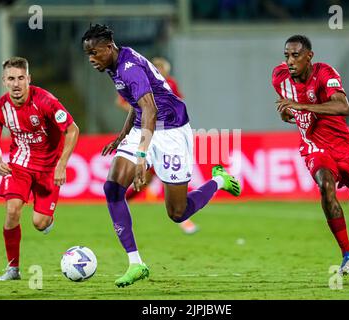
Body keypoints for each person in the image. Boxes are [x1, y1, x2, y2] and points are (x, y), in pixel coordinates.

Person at [81, 24, 241, 287]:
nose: (91, 59)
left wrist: (142, 156)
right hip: (142, 128)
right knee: (112, 188)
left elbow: (150, 110)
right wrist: (123, 137)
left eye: (95, 53)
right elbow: (136, 105)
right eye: (88, 54)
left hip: (171, 131)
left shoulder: (128, 68)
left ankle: (220, 180)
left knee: (178, 212)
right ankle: (135, 263)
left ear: (109, 48)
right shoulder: (113, 64)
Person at [272, 35, 349, 275]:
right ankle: (348, 255)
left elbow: (343, 106)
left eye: (296, 55)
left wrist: (302, 107)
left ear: (309, 57)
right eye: (287, 55)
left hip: (347, 149)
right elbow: (289, 110)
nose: (290, 61)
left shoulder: (325, 73)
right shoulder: (279, 77)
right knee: (325, 186)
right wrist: (289, 114)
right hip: (314, 147)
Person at [0, 57, 79, 281]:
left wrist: (61, 166)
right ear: (4, 81)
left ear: (28, 79)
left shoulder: (45, 101)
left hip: (49, 168)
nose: (16, 84)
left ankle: (48, 219)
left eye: (20, 78)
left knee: (40, 223)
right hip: (20, 165)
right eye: (10, 79)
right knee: (12, 211)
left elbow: (72, 130)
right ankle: (13, 268)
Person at [115, 56, 199, 235]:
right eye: (158, 70)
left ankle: (182, 217)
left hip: (167, 134)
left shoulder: (170, 84)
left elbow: (177, 102)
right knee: (148, 179)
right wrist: (140, 111)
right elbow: (121, 102)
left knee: (157, 177)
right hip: (147, 133)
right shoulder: (139, 81)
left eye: (164, 71)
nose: (162, 74)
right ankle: (120, 203)